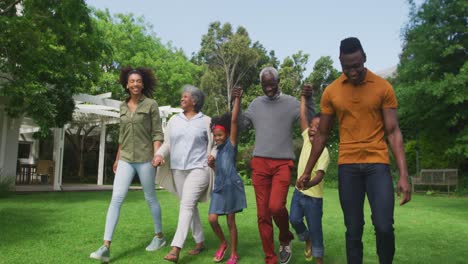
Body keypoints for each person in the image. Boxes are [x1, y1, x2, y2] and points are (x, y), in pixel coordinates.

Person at [299, 37, 411, 264]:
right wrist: (307, 171)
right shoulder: (331, 92)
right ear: (340, 62)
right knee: (353, 228)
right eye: (347, 67)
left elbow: (393, 132)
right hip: (348, 167)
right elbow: (322, 135)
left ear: (365, 59)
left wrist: (404, 175)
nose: (352, 71)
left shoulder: (383, 87)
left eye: (357, 65)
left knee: (384, 226)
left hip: (377, 164)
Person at [232, 67, 314, 264]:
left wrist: (309, 99)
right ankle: (270, 257)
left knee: (276, 207)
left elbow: (309, 119)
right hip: (260, 162)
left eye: (271, 84)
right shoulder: (256, 104)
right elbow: (241, 125)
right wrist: (236, 101)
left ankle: (285, 237)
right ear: (261, 84)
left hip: (282, 163)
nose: (268, 88)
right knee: (262, 214)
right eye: (265, 85)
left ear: (278, 82)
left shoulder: (291, 103)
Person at [90, 66, 166, 262]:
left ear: (143, 84)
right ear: (126, 84)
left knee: (150, 198)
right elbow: (122, 137)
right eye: (132, 81)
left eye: (138, 81)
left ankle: (159, 237)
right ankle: (106, 246)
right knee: (116, 198)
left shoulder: (151, 104)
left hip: (145, 158)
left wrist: (157, 155)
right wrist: (117, 158)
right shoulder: (122, 107)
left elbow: (157, 133)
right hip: (125, 158)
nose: (135, 84)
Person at [153, 85, 214, 263]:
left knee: (186, 205)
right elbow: (167, 144)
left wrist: (213, 156)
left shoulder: (206, 121)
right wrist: (158, 155)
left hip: (199, 169)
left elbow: (216, 143)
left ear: (194, 101)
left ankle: (175, 248)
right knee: (190, 205)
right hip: (178, 169)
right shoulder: (174, 120)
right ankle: (200, 241)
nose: (181, 99)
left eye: (185, 97)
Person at [289, 87, 330, 264]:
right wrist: (303, 98)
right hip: (298, 194)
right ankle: (307, 239)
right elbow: (303, 118)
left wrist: (309, 184)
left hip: (314, 198)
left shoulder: (324, 152)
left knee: (316, 228)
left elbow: (320, 175)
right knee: (294, 219)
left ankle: (318, 259)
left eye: (317, 128)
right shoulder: (307, 139)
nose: (312, 130)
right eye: (312, 127)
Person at [208, 88, 247, 264]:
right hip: (219, 187)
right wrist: (213, 166)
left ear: (226, 134)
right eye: (215, 135)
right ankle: (223, 243)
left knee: (231, 221)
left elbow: (233, 120)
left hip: (232, 186)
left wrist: (237, 99)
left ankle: (234, 253)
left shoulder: (231, 144)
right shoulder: (215, 150)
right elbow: (220, 171)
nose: (217, 138)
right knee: (212, 219)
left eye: (220, 135)